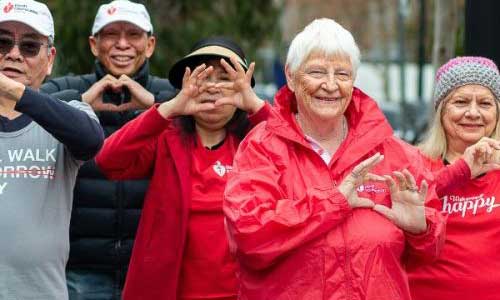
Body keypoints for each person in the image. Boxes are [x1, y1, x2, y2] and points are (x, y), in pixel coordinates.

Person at [223, 18, 446, 300]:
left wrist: (421, 229)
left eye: (342, 74)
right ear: (291, 77)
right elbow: (249, 236)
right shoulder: (261, 149)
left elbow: (430, 250)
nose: (330, 85)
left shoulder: (394, 153)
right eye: (317, 72)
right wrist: (333, 202)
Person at [95, 37, 271, 299]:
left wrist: (257, 106)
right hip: (170, 290)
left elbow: (301, 156)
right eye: (204, 76)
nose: (213, 87)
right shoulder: (167, 135)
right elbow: (108, 159)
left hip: (242, 291)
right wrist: (168, 109)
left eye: (225, 78)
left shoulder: (257, 139)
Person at [40, 1, 176, 298]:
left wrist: (155, 107)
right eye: (111, 34)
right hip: (81, 272)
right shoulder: (67, 88)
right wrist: (81, 101)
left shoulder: (172, 97)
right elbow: (31, 107)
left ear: (150, 44)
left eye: (133, 35)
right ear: (93, 44)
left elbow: (213, 123)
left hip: (149, 271)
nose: (122, 44)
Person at [0, 0, 104, 299]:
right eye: (2, 43)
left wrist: (10, 89)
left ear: (50, 60)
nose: (14, 54)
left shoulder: (72, 113)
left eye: (30, 47)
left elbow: (90, 140)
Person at [408, 56, 500, 300]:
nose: (473, 113)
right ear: (441, 110)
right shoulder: (414, 162)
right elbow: (406, 205)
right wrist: (461, 170)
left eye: (485, 103)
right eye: (460, 102)